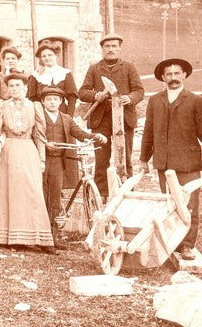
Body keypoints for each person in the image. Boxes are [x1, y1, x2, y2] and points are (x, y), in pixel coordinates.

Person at [137, 58, 202, 257]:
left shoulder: (196, 101)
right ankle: (173, 242)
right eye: (169, 74)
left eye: (177, 73)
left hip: (188, 163)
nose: (173, 78)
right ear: (163, 78)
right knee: (168, 205)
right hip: (164, 163)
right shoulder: (155, 101)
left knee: (189, 205)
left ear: (184, 75)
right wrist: (143, 159)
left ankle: (188, 245)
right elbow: (148, 132)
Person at [0, 73, 54, 251]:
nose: (14, 89)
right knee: (9, 191)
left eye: (18, 85)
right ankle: (10, 237)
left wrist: (42, 158)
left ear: (25, 88)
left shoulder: (35, 106)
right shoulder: (1, 106)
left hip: (28, 149)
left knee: (31, 191)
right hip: (8, 150)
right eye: (11, 86)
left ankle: (37, 236)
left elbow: (40, 135)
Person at [77, 35, 144, 199]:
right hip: (101, 120)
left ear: (119, 48)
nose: (111, 49)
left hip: (124, 120)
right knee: (101, 160)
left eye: (114, 46)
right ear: (102, 49)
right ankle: (102, 195)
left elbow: (139, 91)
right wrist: (95, 95)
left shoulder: (129, 67)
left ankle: (127, 193)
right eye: (107, 46)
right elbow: (82, 92)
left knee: (125, 159)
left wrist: (130, 98)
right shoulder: (94, 68)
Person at [40, 87, 104, 247]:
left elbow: (79, 133)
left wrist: (94, 136)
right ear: (43, 102)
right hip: (41, 161)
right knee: (41, 195)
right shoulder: (39, 117)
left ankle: (53, 236)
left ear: (61, 102)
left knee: (55, 195)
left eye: (55, 99)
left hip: (57, 163)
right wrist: (44, 144)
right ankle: (40, 235)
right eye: (49, 99)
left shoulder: (66, 118)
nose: (52, 102)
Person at [27, 41, 78, 112]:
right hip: (41, 114)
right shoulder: (35, 75)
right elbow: (31, 99)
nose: (47, 58)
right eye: (44, 56)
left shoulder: (65, 73)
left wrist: (68, 117)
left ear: (56, 56)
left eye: (50, 55)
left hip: (62, 114)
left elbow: (72, 98)